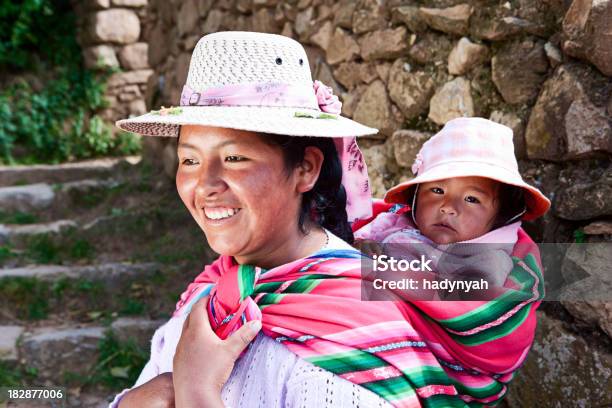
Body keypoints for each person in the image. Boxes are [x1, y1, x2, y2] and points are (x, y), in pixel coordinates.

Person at [110, 32, 547, 407]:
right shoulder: (219, 286)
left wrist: (197, 390)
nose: (204, 184)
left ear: (306, 168)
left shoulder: (355, 338)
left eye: (235, 157)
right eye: (189, 159)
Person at [354, 117, 551, 290]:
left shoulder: (489, 260)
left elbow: (460, 302)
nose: (448, 207)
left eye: (471, 199)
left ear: (499, 217)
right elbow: (356, 242)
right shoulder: (395, 220)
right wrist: (363, 246)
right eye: (437, 191)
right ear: (415, 197)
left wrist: (387, 273)